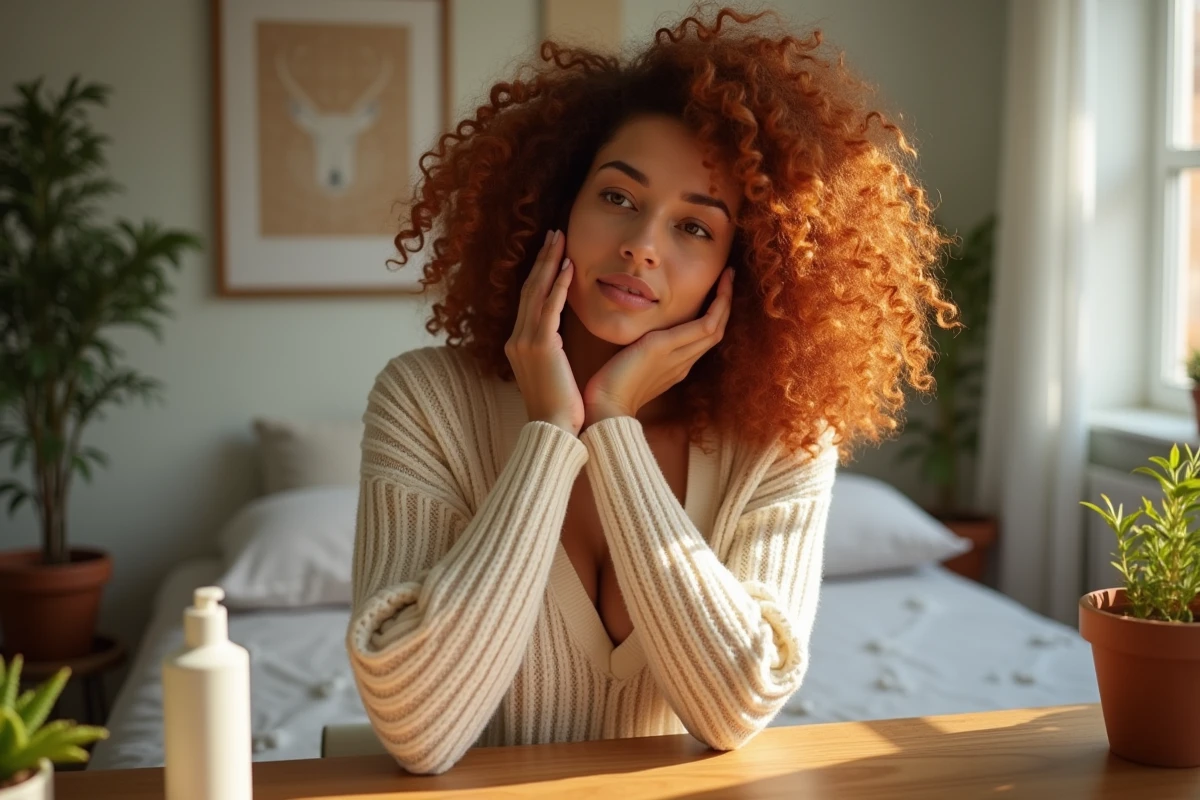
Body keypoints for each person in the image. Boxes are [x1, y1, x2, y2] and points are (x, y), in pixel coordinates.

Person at [345, 5, 957, 775]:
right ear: (557, 202)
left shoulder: (784, 437)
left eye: (694, 229)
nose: (640, 247)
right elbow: (419, 729)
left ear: (749, 264)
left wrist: (611, 423)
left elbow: (734, 707)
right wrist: (548, 435)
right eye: (617, 198)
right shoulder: (424, 401)